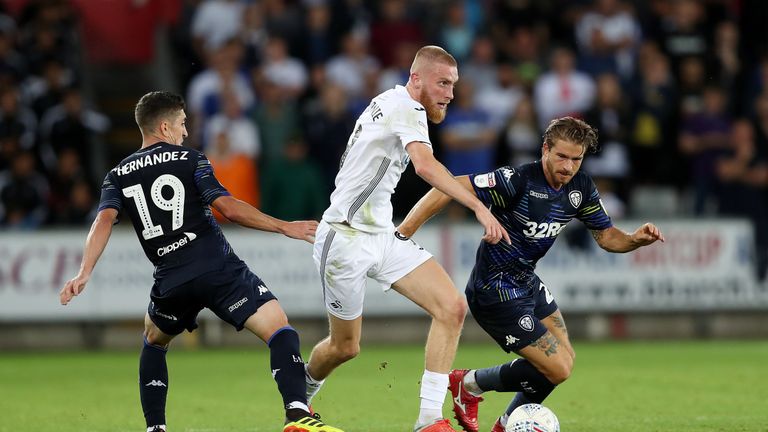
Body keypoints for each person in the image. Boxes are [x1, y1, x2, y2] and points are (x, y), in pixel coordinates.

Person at [58, 91, 343, 432]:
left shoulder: (117, 174)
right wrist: (284, 226)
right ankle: (297, 413)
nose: (185, 132)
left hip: (172, 280)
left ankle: (155, 428)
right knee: (280, 329)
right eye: (181, 124)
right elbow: (227, 208)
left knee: (153, 341)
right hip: (216, 268)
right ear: (164, 126)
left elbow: (103, 220)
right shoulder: (190, 159)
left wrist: (84, 271)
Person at [396, 117, 665, 432]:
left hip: (527, 283)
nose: (568, 166)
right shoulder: (518, 180)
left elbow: (606, 237)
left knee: (563, 360)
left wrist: (635, 239)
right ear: (545, 149)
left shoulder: (581, 187)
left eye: (576, 159)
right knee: (559, 368)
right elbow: (449, 185)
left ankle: (502, 420)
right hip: (494, 291)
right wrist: (403, 234)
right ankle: (468, 384)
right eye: (561, 156)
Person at [303, 46, 509, 432]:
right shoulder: (406, 107)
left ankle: (428, 420)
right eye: (442, 83)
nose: (450, 93)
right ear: (416, 78)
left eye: (454, 85)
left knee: (451, 307)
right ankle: (299, 397)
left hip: (380, 235)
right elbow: (426, 166)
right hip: (345, 238)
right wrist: (478, 207)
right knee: (344, 347)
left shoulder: (394, 102)